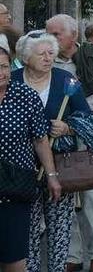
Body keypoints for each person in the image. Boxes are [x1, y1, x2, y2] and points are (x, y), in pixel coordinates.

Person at [14, 31, 93, 272]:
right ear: (26, 58)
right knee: (26, 228)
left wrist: (68, 127)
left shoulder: (65, 80)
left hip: (60, 165)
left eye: (51, 53)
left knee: (60, 226)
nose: (48, 58)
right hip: (22, 166)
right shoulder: (13, 81)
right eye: (42, 54)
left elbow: (89, 121)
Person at [45, 15, 93, 272]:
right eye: (48, 33)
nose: (50, 39)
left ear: (73, 36)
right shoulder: (46, 62)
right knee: (64, 196)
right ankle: (72, 254)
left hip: (92, 134)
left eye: (56, 34)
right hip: (58, 136)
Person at [0, 42, 61, 272]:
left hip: (16, 185)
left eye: (4, 67)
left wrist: (52, 175)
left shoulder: (25, 95)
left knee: (15, 257)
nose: (1, 73)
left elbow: (40, 139)